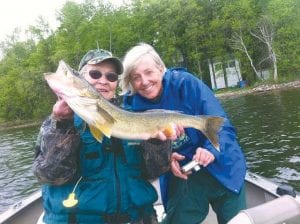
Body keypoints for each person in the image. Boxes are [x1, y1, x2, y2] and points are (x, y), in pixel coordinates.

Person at [119, 43, 247, 224]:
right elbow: (139, 154)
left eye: (149, 72)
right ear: (130, 82)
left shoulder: (186, 83)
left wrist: (210, 149)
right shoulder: (131, 108)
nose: (144, 81)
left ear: (161, 68)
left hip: (224, 168)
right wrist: (167, 158)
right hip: (183, 175)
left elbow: (222, 126)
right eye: (136, 77)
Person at [33, 49, 162, 224]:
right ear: (83, 78)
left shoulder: (134, 115)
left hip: (137, 217)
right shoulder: (57, 122)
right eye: (95, 74)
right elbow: (49, 175)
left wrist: (158, 143)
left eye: (111, 77)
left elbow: (156, 171)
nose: (103, 81)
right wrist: (62, 124)